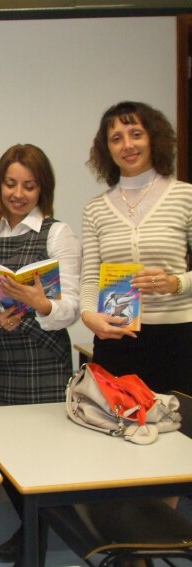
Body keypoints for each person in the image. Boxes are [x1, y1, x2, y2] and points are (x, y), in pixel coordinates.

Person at [0, 144, 81, 563]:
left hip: (44, 356)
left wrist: (42, 304)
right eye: (10, 184)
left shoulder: (57, 233)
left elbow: (71, 307)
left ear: (42, 189)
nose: (18, 194)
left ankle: (35, 535)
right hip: (1, 355)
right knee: (4, 454)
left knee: (44, 455)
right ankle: (31, 526)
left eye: (29, 186)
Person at [81, 101, 192, 397]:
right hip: (116, 339)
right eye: (116, 138)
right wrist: (89, 315)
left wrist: (176, 283)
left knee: (179, 424)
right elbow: (90, 278)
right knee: (116, 421)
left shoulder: (185, 196)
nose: (127, 145)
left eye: (136, 134)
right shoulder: (95, 209)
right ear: (107, 149)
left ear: (154, 137)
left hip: (177, 339)